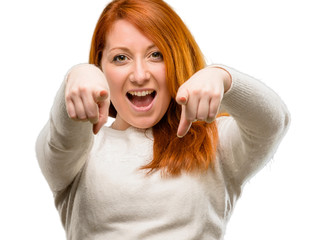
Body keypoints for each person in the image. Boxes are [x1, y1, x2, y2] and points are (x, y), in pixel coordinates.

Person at [36, 0, 290, 239]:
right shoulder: (84, 147)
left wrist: (224, 79)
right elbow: (63, 134)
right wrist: (78, 75)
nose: (139, 75)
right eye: (120, 57)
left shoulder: (214, 142)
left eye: (156, 54)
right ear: (102, 68)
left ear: (176, 59)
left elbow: (273, 123)